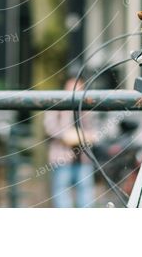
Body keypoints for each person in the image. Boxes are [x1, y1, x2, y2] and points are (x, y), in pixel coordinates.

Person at [44, 76, 99, 208]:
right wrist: (67, 136)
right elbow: (49, 127)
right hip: (62, 157)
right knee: (61, 193)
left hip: (83, 158)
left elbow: (96, 130)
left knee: (86, 194)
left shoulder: (87, 106)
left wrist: (83, 135)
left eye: (78, 88)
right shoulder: (57, 104)